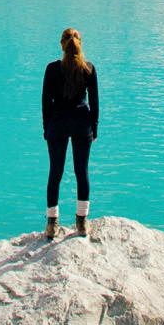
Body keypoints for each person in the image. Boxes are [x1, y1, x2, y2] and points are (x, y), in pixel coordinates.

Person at [42, 27, 98, 239]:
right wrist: (94, 128)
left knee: (55, 172)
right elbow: (94, 102)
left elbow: (46, 102)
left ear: (61, 45)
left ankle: (52, 224)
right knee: (82, 172)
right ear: (79, 44)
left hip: (58, 124)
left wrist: (46, 128)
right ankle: (81, 222)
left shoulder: (52, 69)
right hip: (82, 124)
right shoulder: (88, 68)